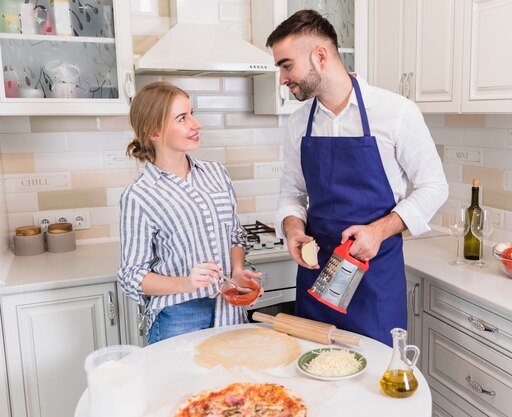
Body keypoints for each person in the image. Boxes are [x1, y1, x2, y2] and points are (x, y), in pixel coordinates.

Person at [266, 10, 448, 346]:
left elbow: (435, 186)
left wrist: (379, 231)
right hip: (316, 274)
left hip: (374, 281)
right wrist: (293, 229)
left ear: (320, 56)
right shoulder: (298, 123)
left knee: (374, 383)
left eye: (286, 65)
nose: (282, 79)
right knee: (315, 379)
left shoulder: (396, 113)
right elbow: (292, 192)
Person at [117, 81, 262, 344]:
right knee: (181, 386)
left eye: (192, 114)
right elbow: (131, 275)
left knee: (229, 383)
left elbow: (235, 236)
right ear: (154, 132)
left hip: (229, 308)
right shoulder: (139, 196)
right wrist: (187, 283)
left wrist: (238, 270)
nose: (197, 124)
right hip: (179, 316)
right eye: (183, 118)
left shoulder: (216, 174)